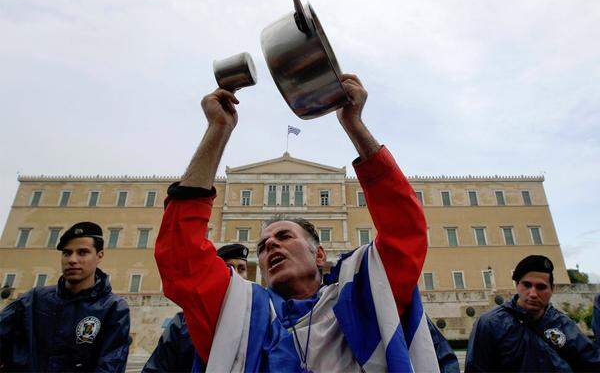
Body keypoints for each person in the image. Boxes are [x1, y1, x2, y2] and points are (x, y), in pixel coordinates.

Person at [154, 74, 440, 371]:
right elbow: (180, 256)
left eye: (284, 236)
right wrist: (217, 130)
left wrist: (355, 126)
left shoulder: (362, 298)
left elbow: (404, 229)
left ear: (319, 254)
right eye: (262, 246)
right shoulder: (239, 314)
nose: (271, 245)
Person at [0, 222, 130, 372]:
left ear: (99, 255)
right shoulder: (33, 299)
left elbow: (109, 366)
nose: (72, 260)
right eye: (67, 253)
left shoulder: (114, 308)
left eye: (82, 252)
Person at [465, 255, 600, 372]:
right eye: (527, 285)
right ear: (517, 285)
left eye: (541, 287)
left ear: (552, 289)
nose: (533, 294)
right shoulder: (489, 324)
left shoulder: (563, 323)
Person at [142, 244, 249, 373]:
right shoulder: (182, 322)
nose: (235, 274)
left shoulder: (255, 318)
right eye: (228, 268)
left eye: (241, 269)